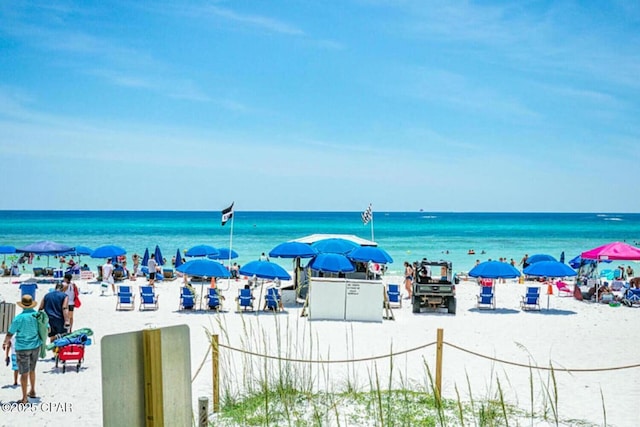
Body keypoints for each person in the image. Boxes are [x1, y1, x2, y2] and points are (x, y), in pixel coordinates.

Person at [2, 295, 42, 403]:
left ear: (23, 305)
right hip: (35, 346)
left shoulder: (18, 318)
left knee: (24, 373)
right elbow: (45, 328)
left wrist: (5, 342)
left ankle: (24, 398)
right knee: (32, 370)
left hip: (22, 347)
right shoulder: (37, 315)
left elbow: (10, 333)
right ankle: (32, 390)